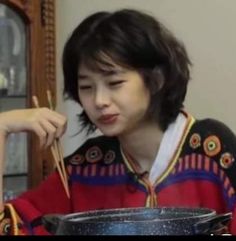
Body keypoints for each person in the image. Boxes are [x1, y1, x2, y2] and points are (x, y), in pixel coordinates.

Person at [0, 8, 236, 235]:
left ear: (156, 79)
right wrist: (2, 126)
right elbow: (12, 225)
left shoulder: (213, 151)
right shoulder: (85, 167)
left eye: (114, 83)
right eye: (86, 87)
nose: (99, 100)